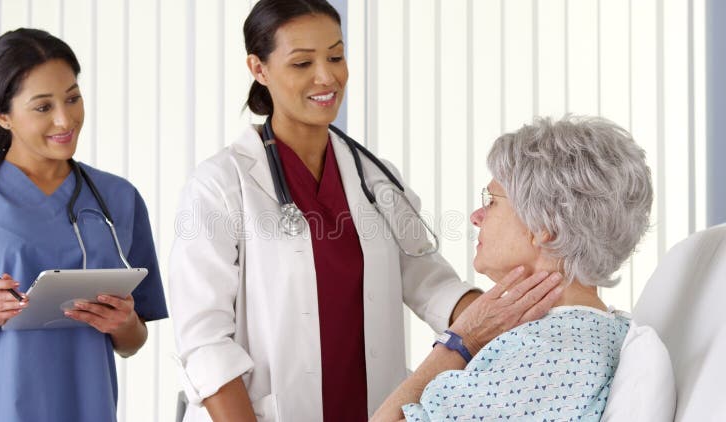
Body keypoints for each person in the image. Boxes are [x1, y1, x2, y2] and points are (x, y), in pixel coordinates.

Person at [168, 1, 563, 421]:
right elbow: (204, 341)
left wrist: (525, 313)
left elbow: (429, 282)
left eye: (336, 56)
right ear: (259, 68)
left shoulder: (376, 179)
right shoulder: (220, 185)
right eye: (302, 63)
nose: (327, 77)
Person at [0, 28, 168, 421]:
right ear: (4, 116)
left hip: (86, 407)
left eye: (72, 98)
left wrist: (123, 323)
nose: (65, 118)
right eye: (43, 107)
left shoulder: (117, 198)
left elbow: (132, 341)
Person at [372, 115, 655, 421]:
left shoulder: (546, 355)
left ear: (545, 224)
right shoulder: (597, 334)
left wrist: (461, 340)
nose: (476, 216)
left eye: (491, 201)